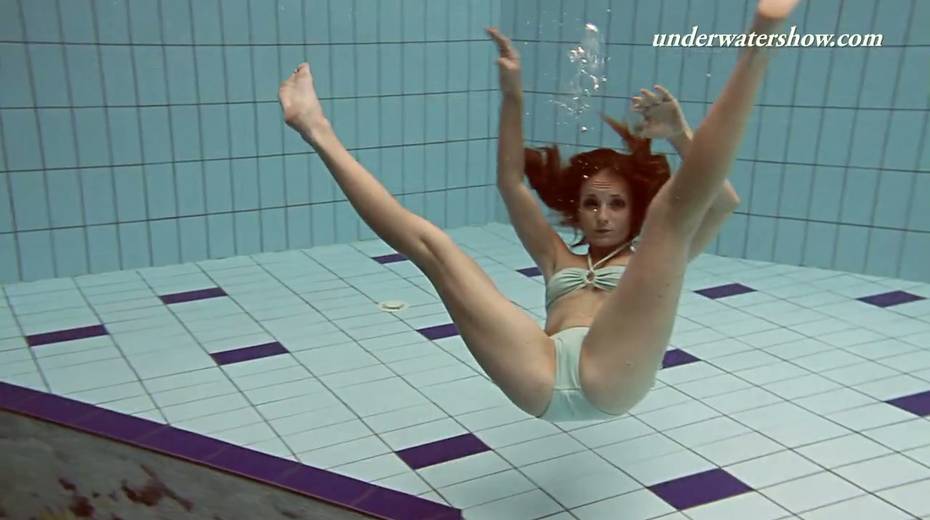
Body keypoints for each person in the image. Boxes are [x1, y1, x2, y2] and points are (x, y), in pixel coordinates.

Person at [278, 0, 800, 422]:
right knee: (435, 248)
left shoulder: (650, 262)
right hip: (539, 368)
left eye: (617, 203)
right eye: (592, 203)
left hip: (613, 377)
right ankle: (315, 128)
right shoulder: (556, 257)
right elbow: (511, 182)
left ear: (632, 211)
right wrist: (512, 96)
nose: (603, 215)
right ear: (577, 211)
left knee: (672, 219)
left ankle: (757, 51)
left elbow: (723, 201)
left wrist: (680, 133)